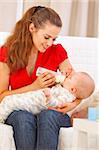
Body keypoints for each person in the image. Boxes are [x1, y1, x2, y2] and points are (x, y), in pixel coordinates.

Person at [0, 5, 80, 150]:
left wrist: (73, 105)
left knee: (47, 116)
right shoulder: (8, 52)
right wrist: (34, 87)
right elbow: (2, 96)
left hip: (50, 111)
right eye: (46, 37)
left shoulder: (57, 51)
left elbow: (77, 86)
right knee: (23, 118)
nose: (50, 43)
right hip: (21, 111)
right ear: (32, 28)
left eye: (54, 39)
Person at [0, 71, 95, 124]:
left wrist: (49, 97)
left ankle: (1, 118)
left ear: (73, 89)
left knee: (11, 102)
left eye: (69, 78)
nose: (66, 77)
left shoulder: (67, 96)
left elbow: (56, 104)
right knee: (9, 100)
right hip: (35, 97)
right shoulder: (64, 87)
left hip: (38, 103)